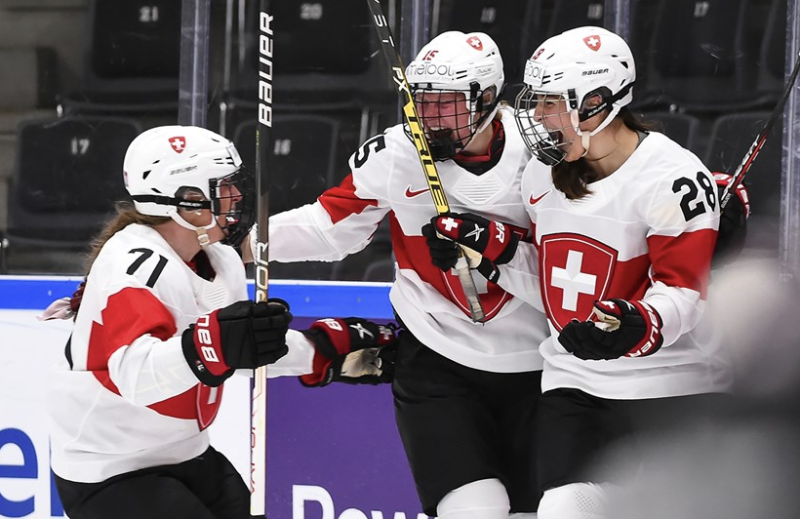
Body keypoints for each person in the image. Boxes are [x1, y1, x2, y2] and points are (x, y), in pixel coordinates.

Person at [428, 26, 746, 519]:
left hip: (676, 386)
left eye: (551, 103)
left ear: (597, 102)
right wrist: (491, 253)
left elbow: (683, 293)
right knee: (562, 510)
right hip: (577, 383)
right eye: (536, 102)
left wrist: (637, 324)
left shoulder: (672, 177)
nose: (537, 117)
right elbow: (555, 289)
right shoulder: (542, 173)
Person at [261, 31, 550, 519]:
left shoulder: (542, 154)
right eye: (422, 102)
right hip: (437, 361)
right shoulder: (397, 153)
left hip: (539, 365)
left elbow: (575, 260)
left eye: (447, 105)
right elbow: (330, 228)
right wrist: (240, 241)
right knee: (473, 510)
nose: (429, 118)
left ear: (488, 98)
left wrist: (491, 245)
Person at [46, 125, 396, 519]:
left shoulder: (219, 257)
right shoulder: (133, 263)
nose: (236, 196)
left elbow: (235, 349)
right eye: (222, 187)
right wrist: (214, 343)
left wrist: (320, 351)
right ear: (184, 201)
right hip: (111, 469)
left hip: (189, 452)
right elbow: (137, 376)